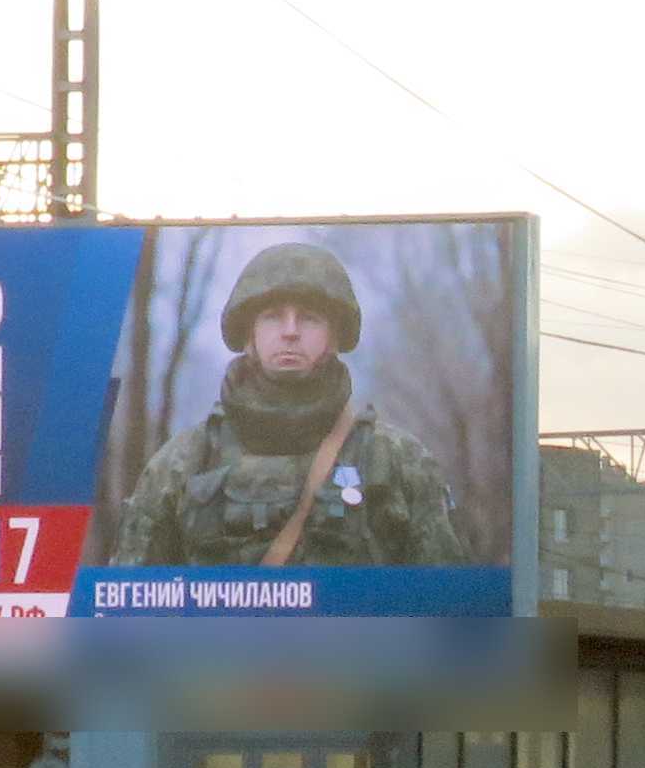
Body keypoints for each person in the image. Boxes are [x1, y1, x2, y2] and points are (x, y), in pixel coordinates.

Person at [107, 241, 476, 567]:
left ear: (334, 337)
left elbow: (453, 606)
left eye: (309, 318)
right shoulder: (183, 464)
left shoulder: (395, 462)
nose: (290, 331)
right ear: (249, 335)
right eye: (272, 317)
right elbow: (125, 603)